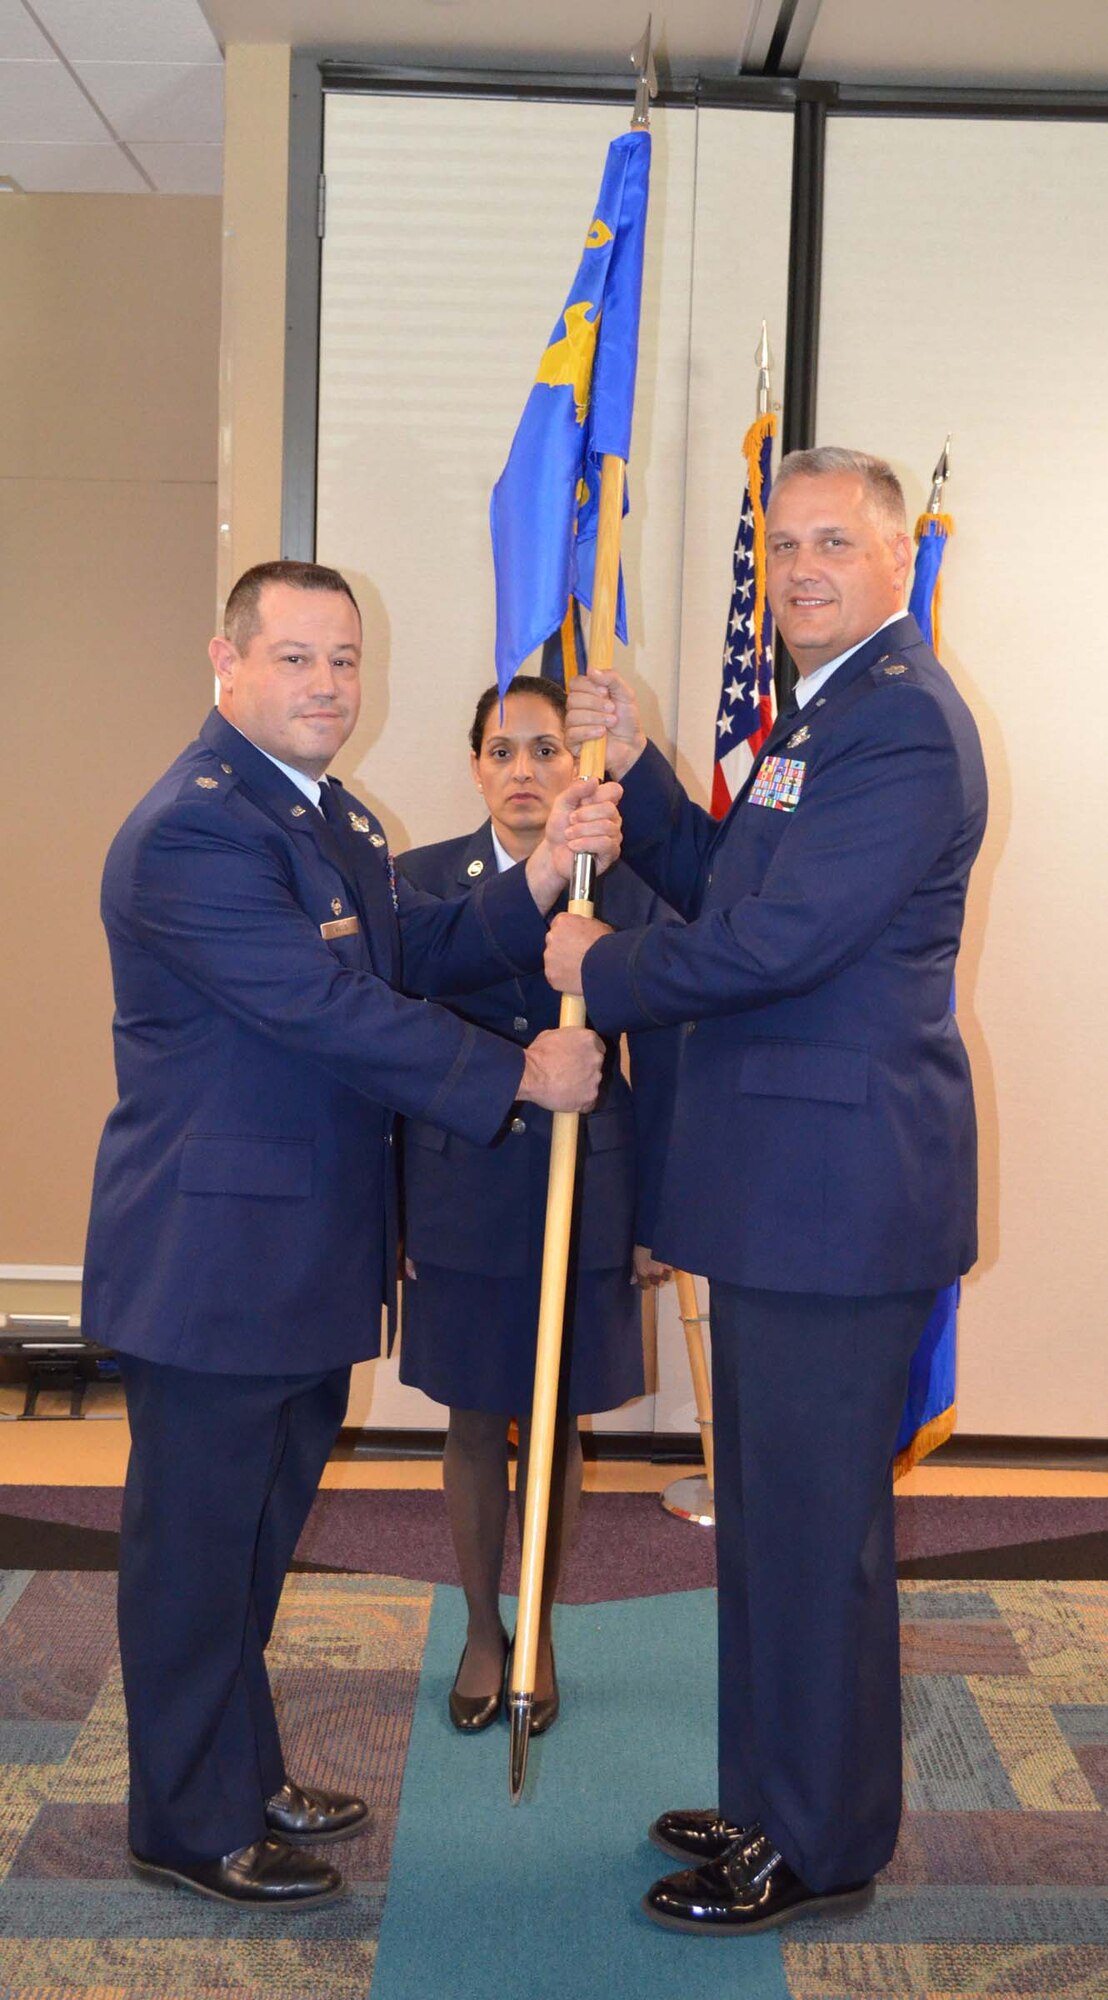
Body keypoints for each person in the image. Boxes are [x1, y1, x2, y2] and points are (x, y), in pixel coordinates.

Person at [82, 561, 622, 1910]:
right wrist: (513, 1078)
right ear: (227, 661)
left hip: (300, 1259)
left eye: (345, 660)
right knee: (197, 1553)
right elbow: (324, 1007)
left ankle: (237, 1770)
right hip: (213, 1266)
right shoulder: (196, 832)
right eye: (296, 659)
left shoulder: (327, 817)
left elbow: (408, 950)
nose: (327, 685)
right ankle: (186, 1824)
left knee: (254, 1546)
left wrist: (544, 869)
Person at [544, 449, 988, 1935]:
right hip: (786, 1185)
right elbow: (734, 880)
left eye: (833, 546)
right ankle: (771, 1791)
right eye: (783, 545)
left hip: (837, 1195)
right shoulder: (828, 711)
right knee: (776, 1522)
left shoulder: (907, 727)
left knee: (812, 1533)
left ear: (894, 559)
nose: (800, 570)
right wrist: (645, 775)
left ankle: (823, 1841)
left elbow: (779, 946)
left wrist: (600, 971)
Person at [397, 674, 676, 1733]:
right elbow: (384, 1060)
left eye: (548, 749)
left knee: (554, 1416)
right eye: (504, 751)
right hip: (459, 1186)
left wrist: (657, 1212)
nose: (525, 770)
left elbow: (666, 1052)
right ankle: (480, 1625)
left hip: (589, 1182)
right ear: (475, 766)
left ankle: (540, 1627)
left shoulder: (623, 886)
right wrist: (393, 1215)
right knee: (475, 1417)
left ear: (579, 766)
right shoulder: (417, 882)